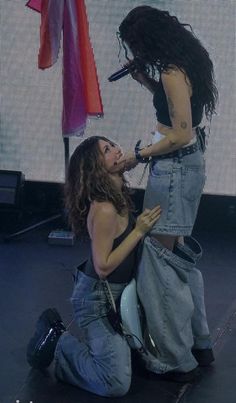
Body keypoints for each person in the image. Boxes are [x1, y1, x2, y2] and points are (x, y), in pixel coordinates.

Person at [116, 5, 218, 381]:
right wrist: (146, 80)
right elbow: (177, 108)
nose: (135, 51)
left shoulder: (174, 72)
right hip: (182, 169)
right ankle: (199, 342)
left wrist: (137, 154)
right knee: (175, 259)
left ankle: (176, 359)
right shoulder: (179, 66)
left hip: (174, 171)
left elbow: (180, 134)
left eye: (135, 45)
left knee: (159, 264)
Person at [26, 135, 161, 397]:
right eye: (107, 151)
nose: (116, 150)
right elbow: (103, 267)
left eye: (113, 145)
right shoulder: (105, 209)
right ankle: (59, 341)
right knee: (115, 383)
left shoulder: (117, 193)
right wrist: (139, 231)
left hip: (118, 296)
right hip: (97, 301)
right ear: (95, 168)